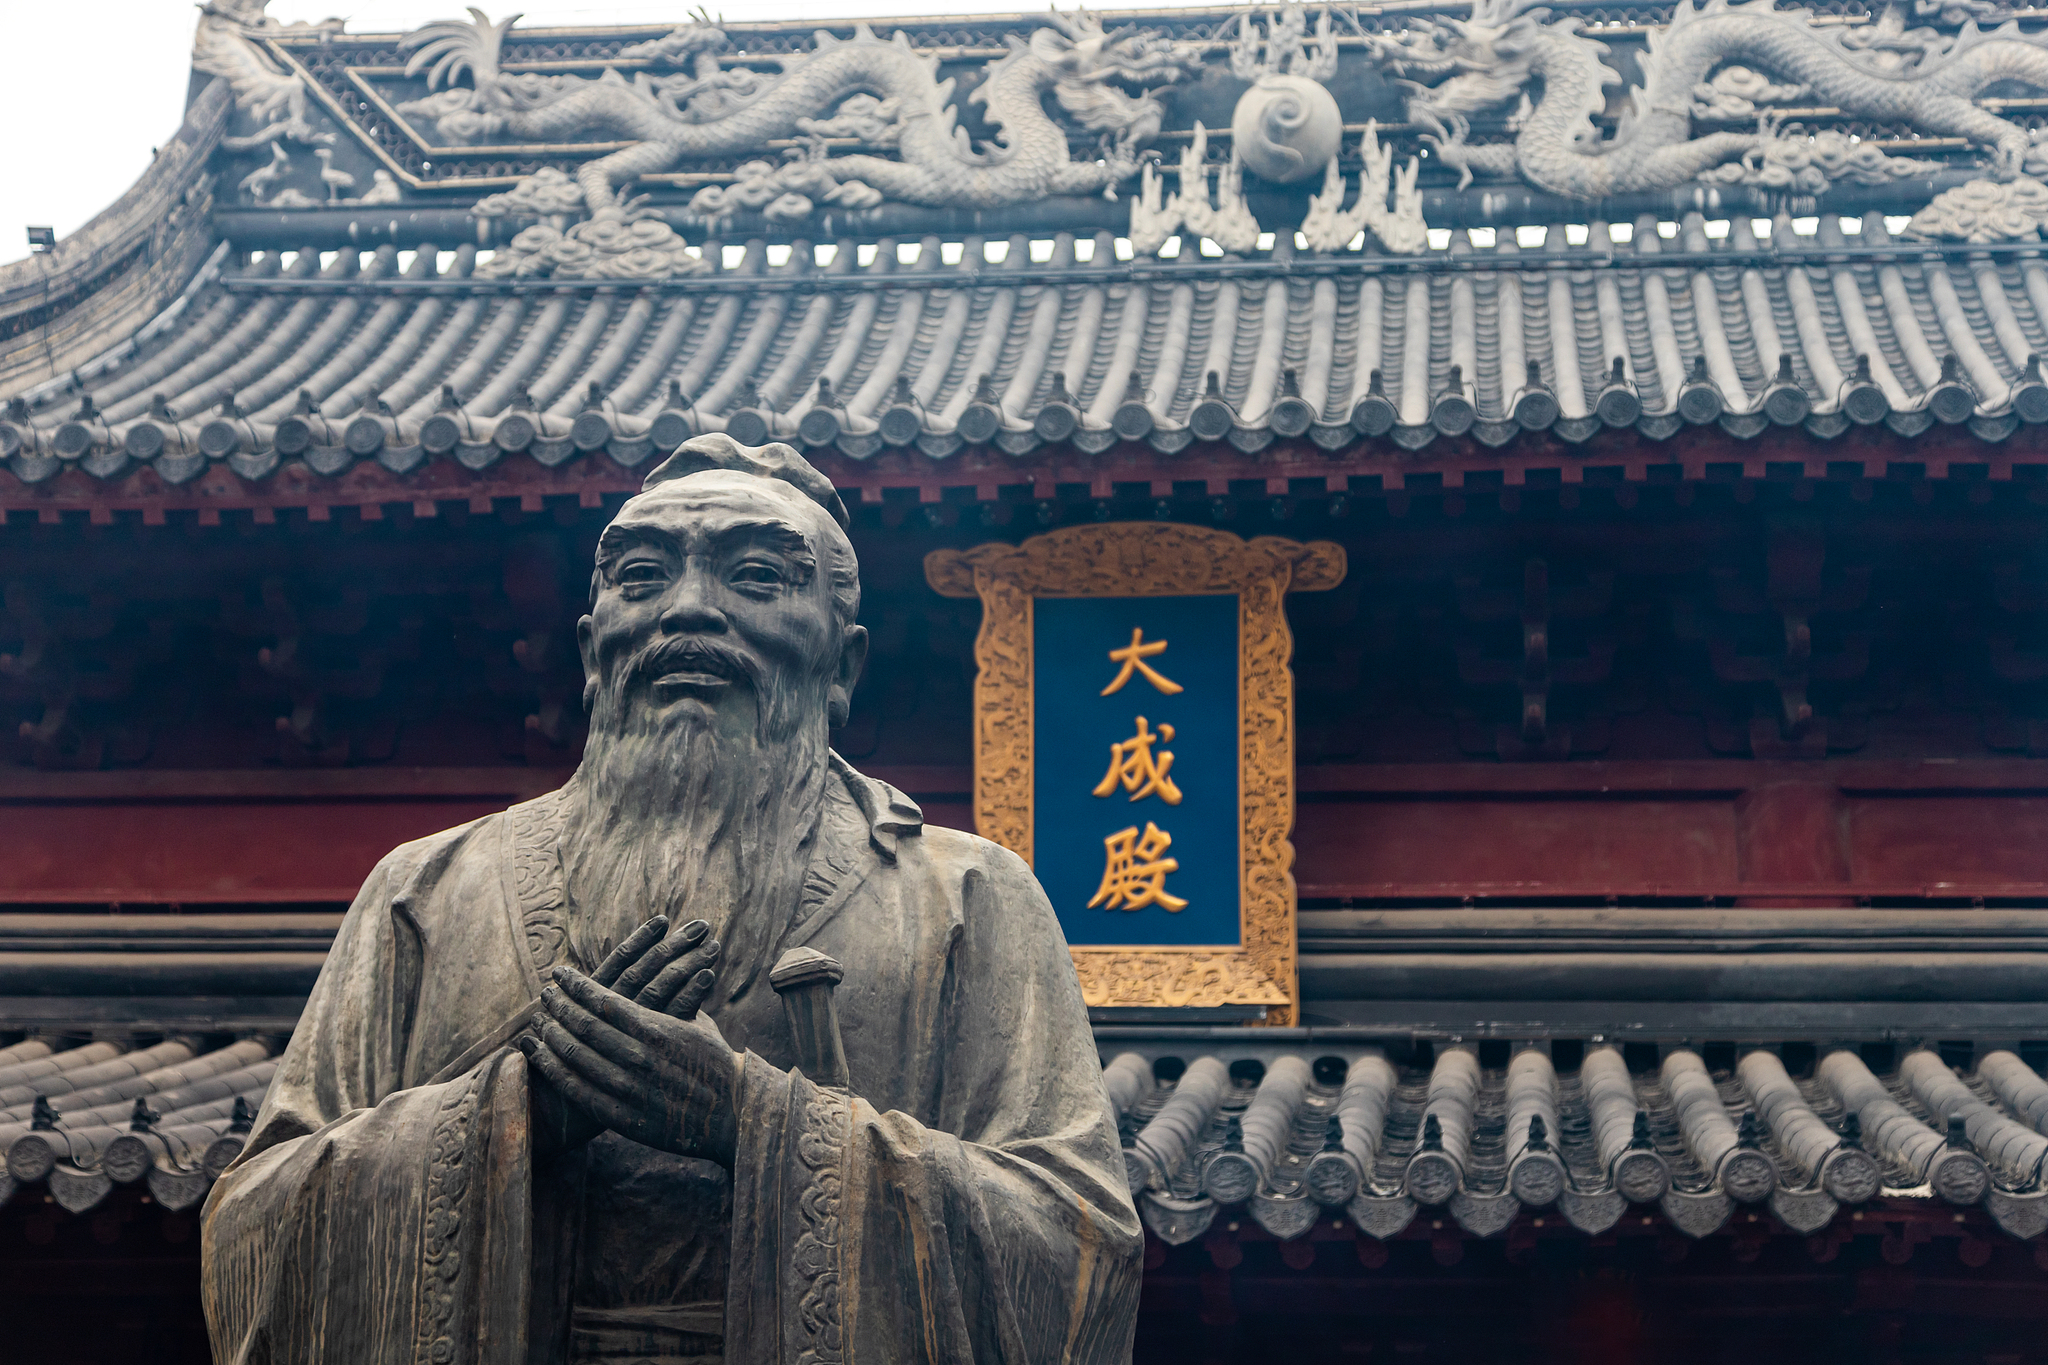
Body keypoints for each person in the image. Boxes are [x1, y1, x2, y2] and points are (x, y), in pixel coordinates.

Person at [201, 434, 1141, 1365]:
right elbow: (254, 1234)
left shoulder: (969, 899)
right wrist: (521, 1111)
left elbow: (1079, 1247)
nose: (687, 611)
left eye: (758, 577)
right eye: (643, 575)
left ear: (843, 663)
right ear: (590, 645)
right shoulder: (427, 893)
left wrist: (748, 1118)